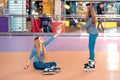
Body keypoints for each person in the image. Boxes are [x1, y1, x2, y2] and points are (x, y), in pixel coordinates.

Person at [74, 3, 98, 71]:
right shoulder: (89, 16)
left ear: (89, 9)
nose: (85, 9)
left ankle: (92, 64)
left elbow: (86, 26)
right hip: (92, 33)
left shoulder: (91, 17)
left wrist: (78, 23)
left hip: (93, 33)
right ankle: (90, 61)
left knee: (91, 48)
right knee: (90, 47)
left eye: (86, 8)